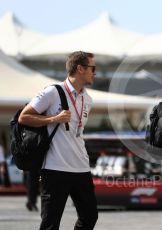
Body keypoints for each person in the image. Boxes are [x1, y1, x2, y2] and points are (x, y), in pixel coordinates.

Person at [19, 51, 98, 229]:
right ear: (80, 69)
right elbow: (23, 117)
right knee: (50, 224)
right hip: (54, 169)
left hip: (81, 168)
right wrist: (53, 119)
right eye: (93, 68)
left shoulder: (88, 99)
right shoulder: (52, 92)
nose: (95, 73)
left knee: (90, 217)